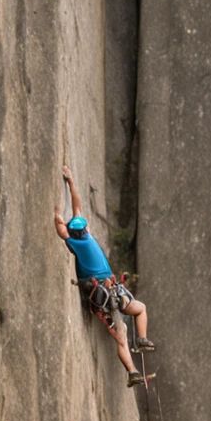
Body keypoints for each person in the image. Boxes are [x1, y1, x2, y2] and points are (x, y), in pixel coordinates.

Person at [55, 165, 154, 388]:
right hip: (115, 291)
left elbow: (61, 228)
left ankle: (132, 371)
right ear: (85, 229)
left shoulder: (74, 243)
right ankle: (142, 338)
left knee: (120, 336)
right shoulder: (87, 236)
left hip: (100, 296)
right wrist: (71, 181)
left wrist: (56, 214)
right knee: (140, 309)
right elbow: (78, 207)